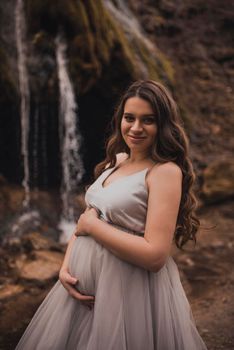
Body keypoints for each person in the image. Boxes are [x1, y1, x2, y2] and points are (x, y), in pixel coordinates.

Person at [16, 80, 207, 349]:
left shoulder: (164, 172)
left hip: (129, 293)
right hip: (83, 291)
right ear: (120, 119)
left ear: (163, 125)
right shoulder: (117, 161)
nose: (136, 128)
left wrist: (94, 228)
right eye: (130, 118)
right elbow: (86, 220)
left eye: (148, 120)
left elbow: (155, 256)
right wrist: (65, 267)